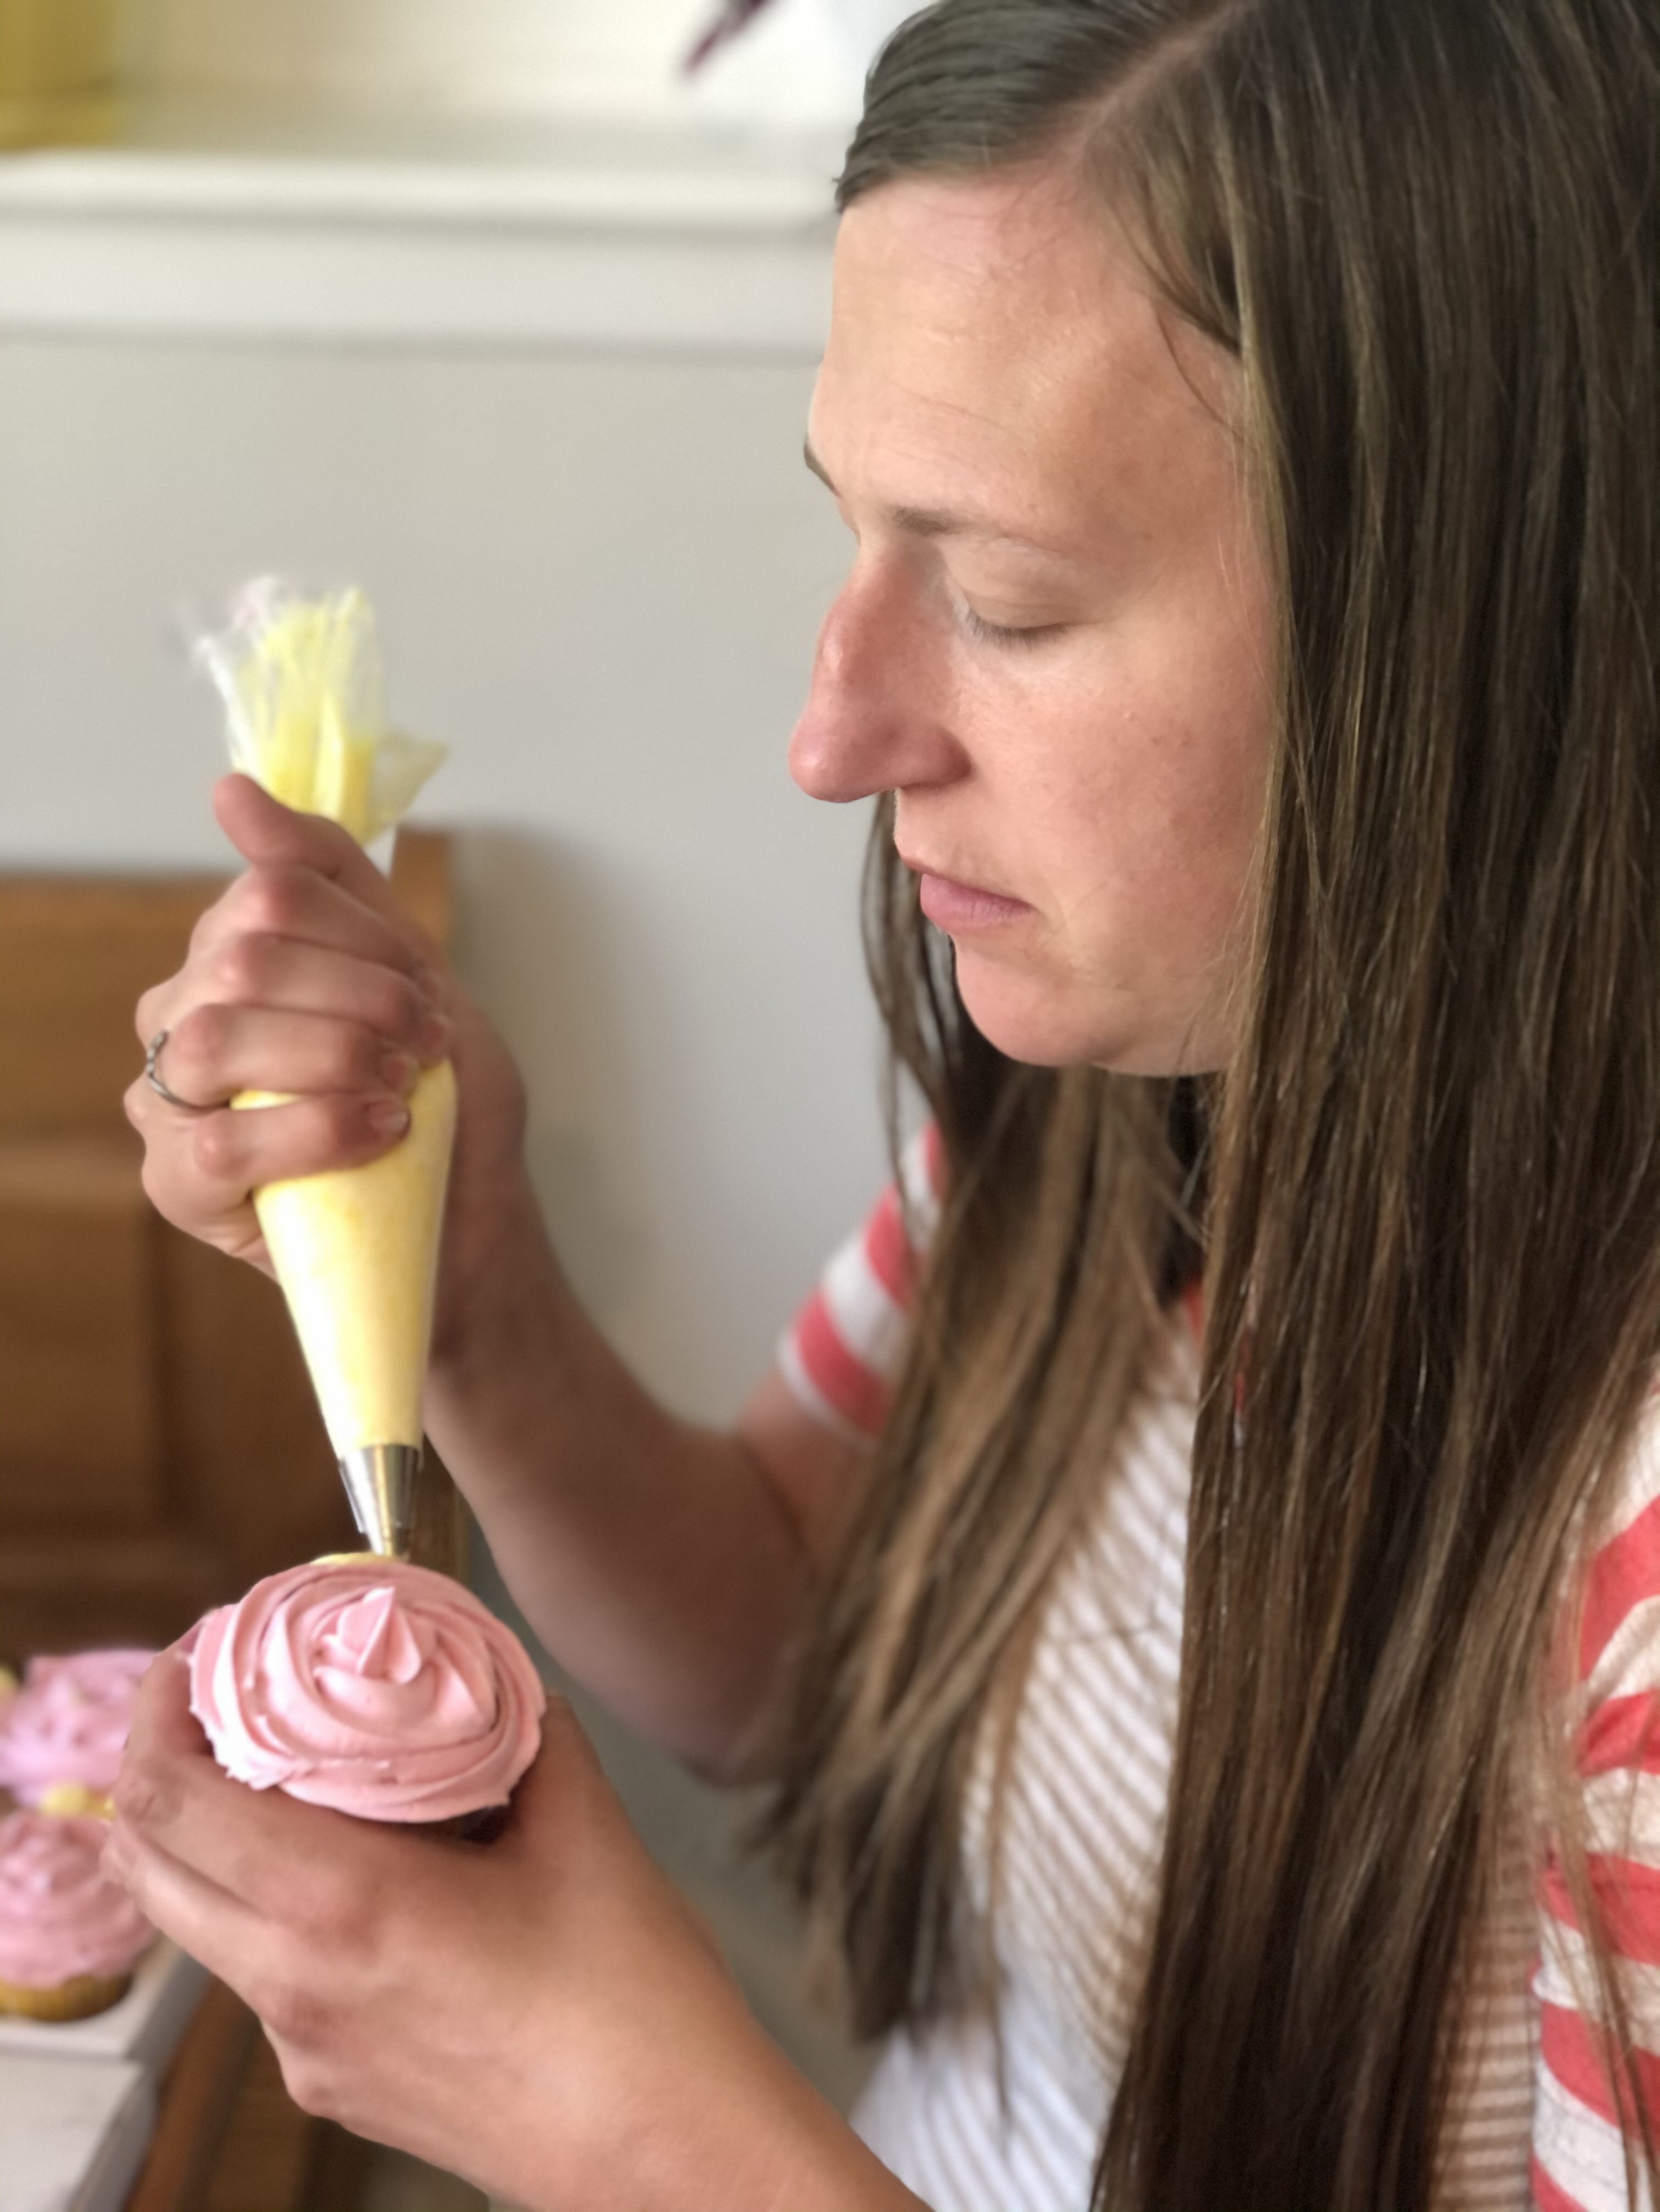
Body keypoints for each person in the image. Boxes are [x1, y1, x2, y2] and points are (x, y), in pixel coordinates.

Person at [108, 0, 1660, 2207]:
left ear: (1486, 629)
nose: (833, 737)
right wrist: (477, 1299)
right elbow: (797, 1655)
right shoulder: (1123, 1093)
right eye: (854, 531)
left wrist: (636, 2131)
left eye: (1006, 599)